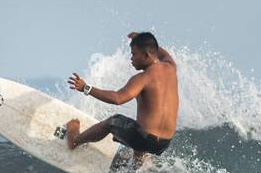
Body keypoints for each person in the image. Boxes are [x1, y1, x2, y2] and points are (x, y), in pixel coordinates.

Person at [64, 31, 179, 165]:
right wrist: (142, 40)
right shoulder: (171, 68)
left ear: (146, 55)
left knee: (114, 121)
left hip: (145, 139)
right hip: (164, 143)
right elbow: (162, 53)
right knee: (141, 126)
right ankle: (138, 165)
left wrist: (85, 88)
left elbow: (118, 98)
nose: (131, 58)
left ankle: (74, 140)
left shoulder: (143, 78)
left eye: (134, 54)